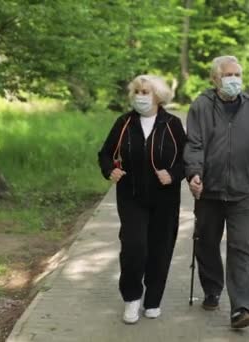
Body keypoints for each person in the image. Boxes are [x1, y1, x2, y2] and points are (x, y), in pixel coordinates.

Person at [183, 56, 249, 329]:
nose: (234, 79)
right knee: (206, 243)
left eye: (238, 74)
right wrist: (193, 174)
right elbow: (194, 145)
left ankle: (241, 308)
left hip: (243, 192)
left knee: (240, 248)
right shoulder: (201, 106)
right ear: (215, 79)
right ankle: (212, 289)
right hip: (210, 190)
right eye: (228, 75)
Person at [98, 75, 186, 324]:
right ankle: (132, 298)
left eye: (146, 91)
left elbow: (187, 159)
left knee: (160, 249)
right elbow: (105, 154)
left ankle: (153, 300)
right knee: (134, 248)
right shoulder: (124, 123)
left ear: (158, 96)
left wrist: (174, 174)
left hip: (165, 199)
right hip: (131, 196)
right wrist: (109, 170)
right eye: (137, 91)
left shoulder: (172, 124)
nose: (140, 96)